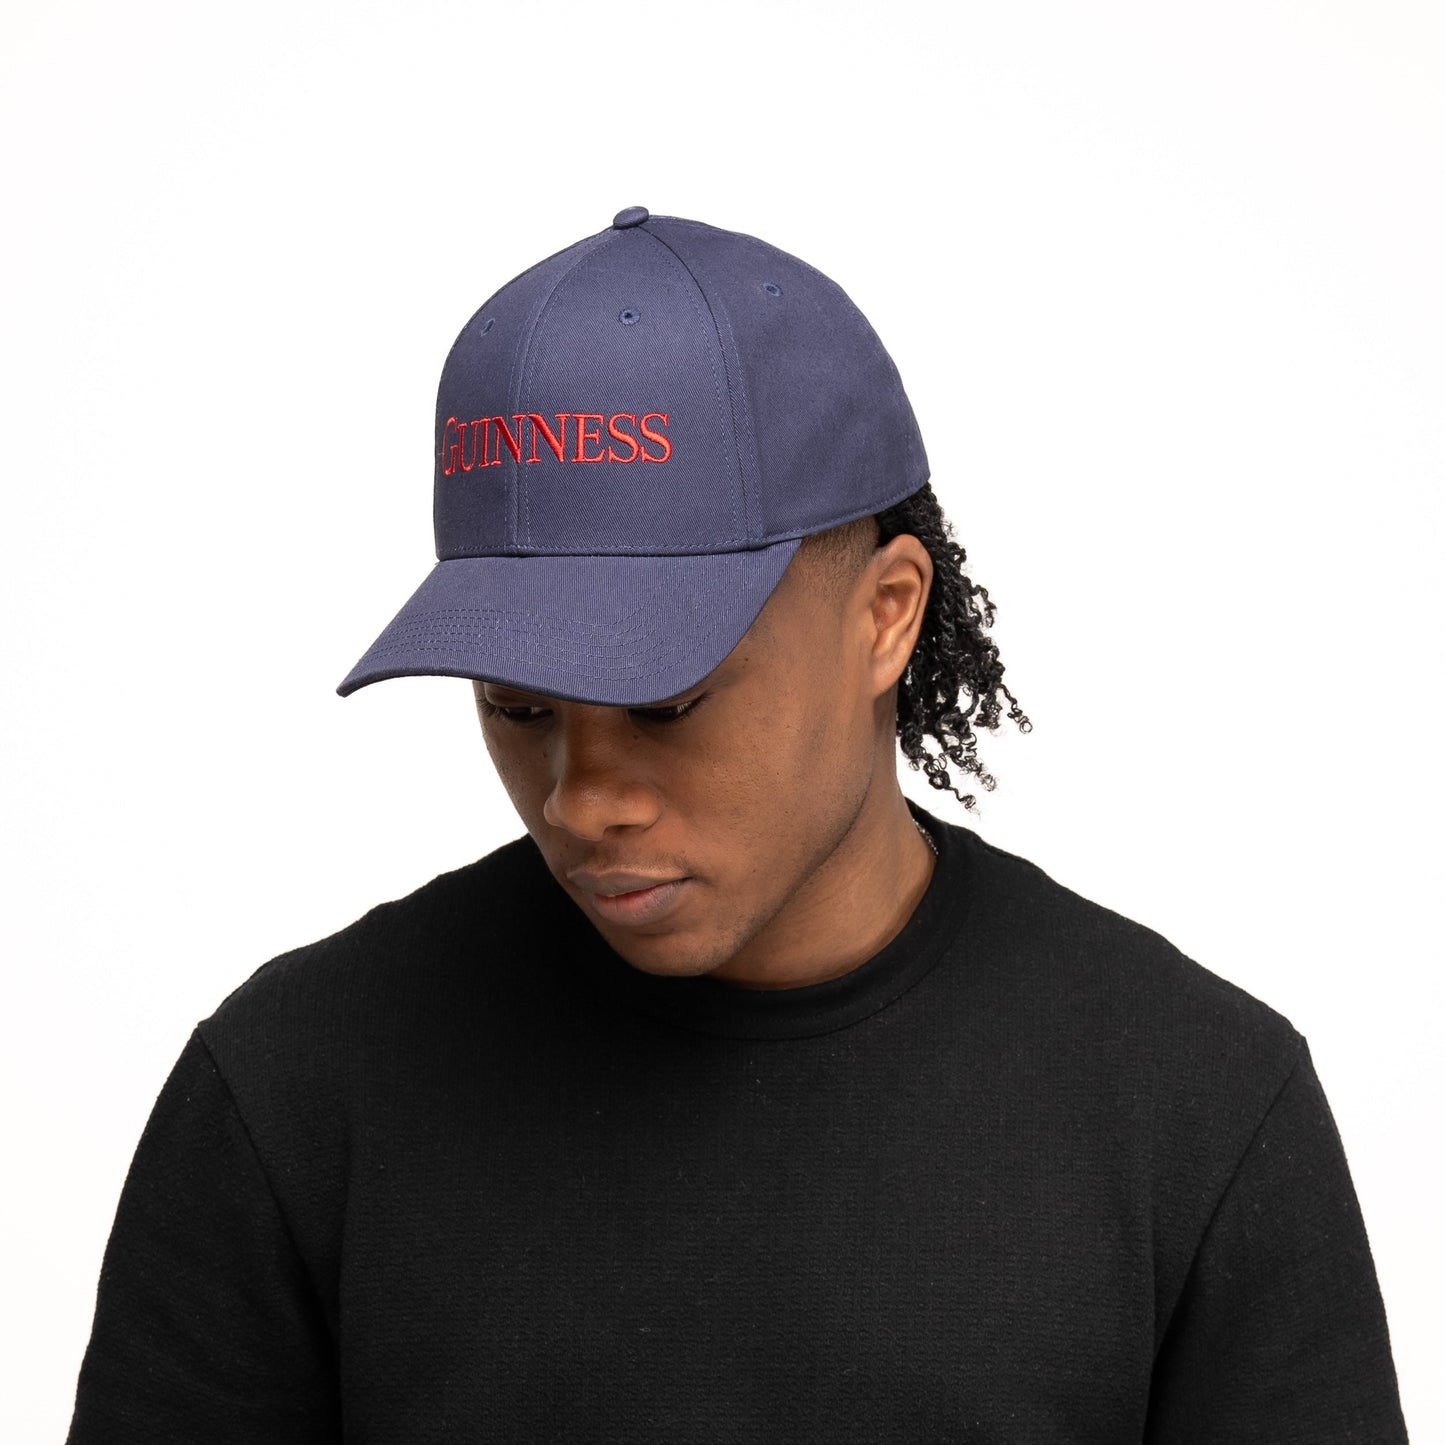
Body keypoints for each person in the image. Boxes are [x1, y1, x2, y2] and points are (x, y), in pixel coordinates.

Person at [66, 207, 1408, 1442]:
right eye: (517, 705)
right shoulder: (294, 1097)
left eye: (665, 701)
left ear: (884, 615)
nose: (582, 800)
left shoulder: (1195, 1113)